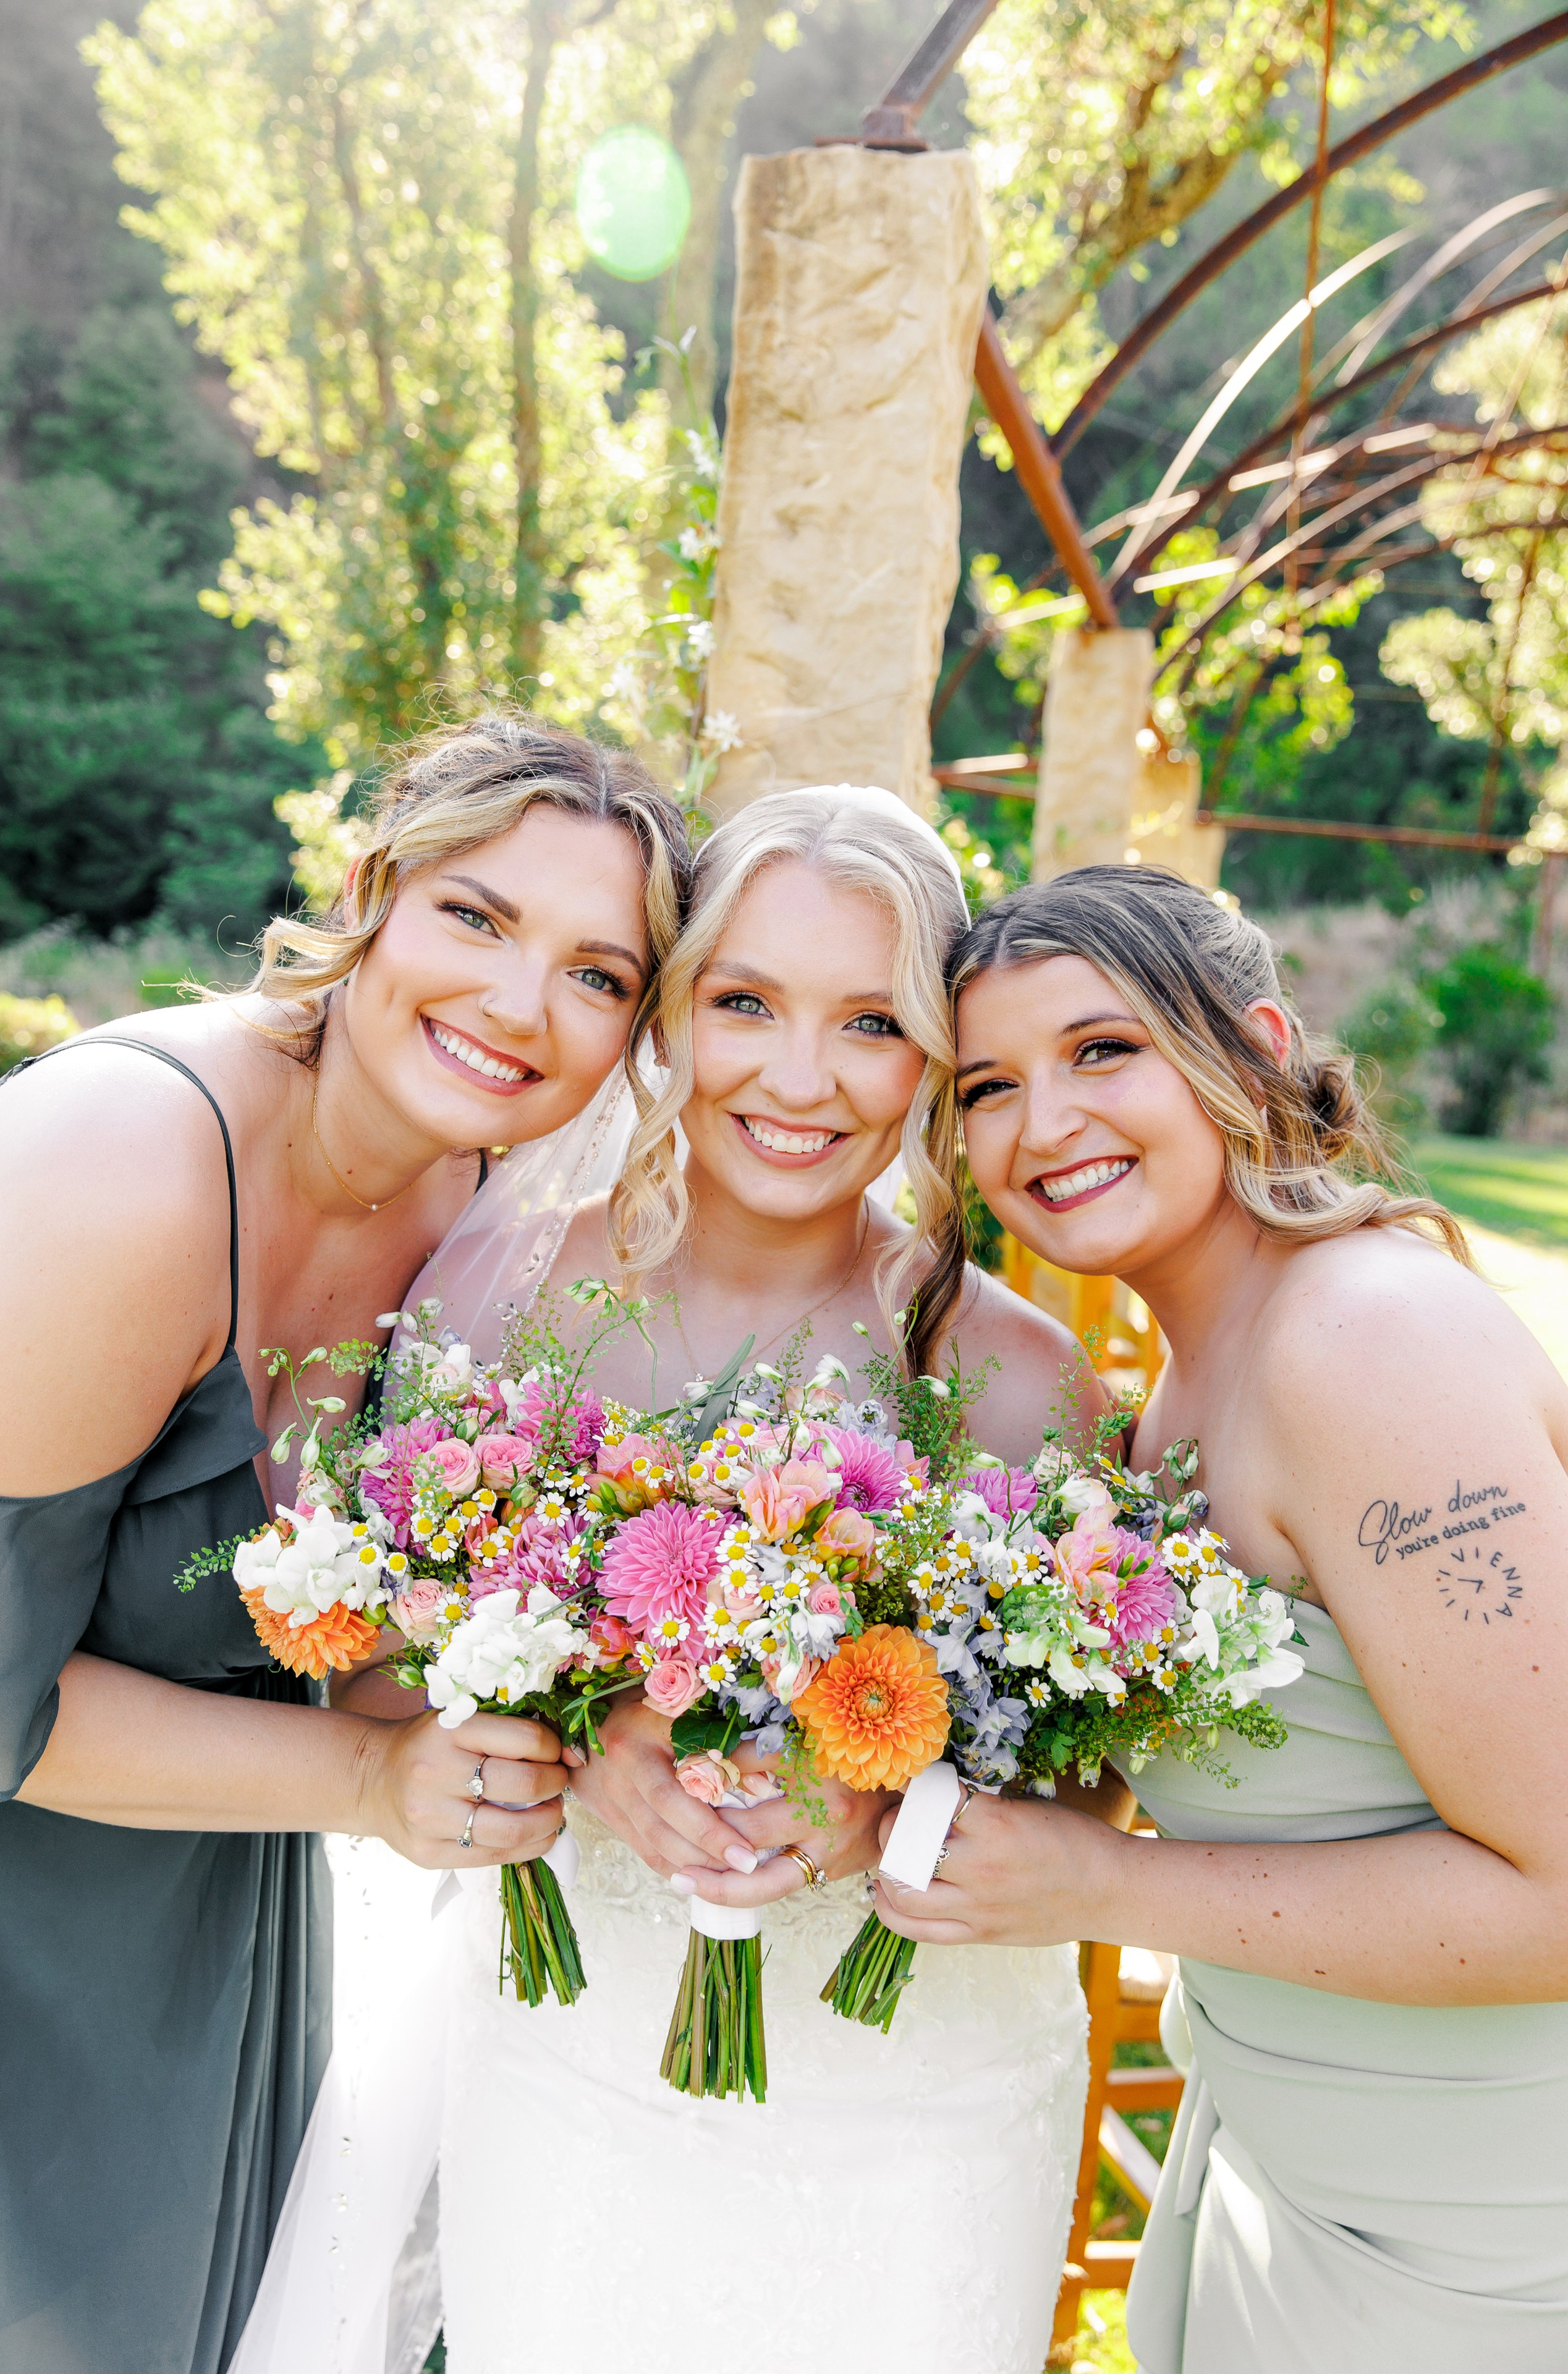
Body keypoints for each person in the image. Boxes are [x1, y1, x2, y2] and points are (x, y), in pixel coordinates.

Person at [372, 785, 1114, 2373]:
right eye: (744, 1005)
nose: (798, 1078)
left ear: (930, 1062)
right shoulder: (508, 1305)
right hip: (572, 2076)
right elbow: (383, 1674)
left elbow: (1099, 1788)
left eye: (870, 1022)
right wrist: (580, 1751)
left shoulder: (1017, 1377)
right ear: (666, 1018)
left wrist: (888, 1809)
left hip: (915, 2104)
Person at [0, 713, 692, 2374]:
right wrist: (374, 1791)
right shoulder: (118, 1169)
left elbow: (366, 1633)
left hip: (203, 1908)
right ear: (370, 892)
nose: (523, 1007)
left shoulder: (484, 1216)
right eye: (479, 919)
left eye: (600, 976)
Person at [868, 863, 1568, 2373]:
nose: (1041, 1123)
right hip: (1294, 2171)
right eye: (986, 1085)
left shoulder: (1364, 1343)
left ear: (1247, 1050)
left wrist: (1090, 1887)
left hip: (1485, 2241)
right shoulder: (1161, 1402)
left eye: (1100, 1050)